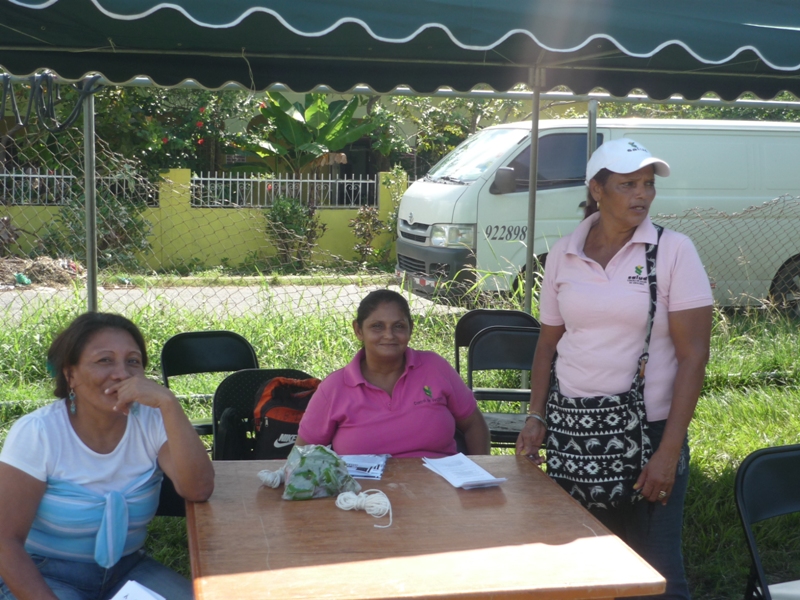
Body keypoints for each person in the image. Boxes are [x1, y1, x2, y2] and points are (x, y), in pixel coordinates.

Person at [516, 138, 713, 600]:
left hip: (648, 434)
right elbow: (548, 344)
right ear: (597, 189)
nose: (642, 194)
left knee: (658, 572)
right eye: (628, 184)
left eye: (648, 184)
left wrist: (668, 452)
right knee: (582, 565)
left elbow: (694, 357)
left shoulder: (672, 251)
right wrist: (537, 415)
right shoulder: (564, 253)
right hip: (573, 431)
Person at [0, 312, 215, 600]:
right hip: (46, 572)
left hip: (127, 569)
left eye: (133, 361)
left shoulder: (152, 420)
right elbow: (5, 541)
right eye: (104, 360)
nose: (121, 374)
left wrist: (168, 403)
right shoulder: (38, 432)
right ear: (70, 375)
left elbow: (198, 489)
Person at [297, 289, 490, 457]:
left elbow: (473, 423)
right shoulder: (334, 388)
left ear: (411, 329)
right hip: (361, 488)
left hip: (441, 484)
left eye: (398, 326)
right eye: (377, 326)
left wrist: (480, 474)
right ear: (358, 330)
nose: (389, 335)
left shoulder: (435, 368)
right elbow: (302, 454)